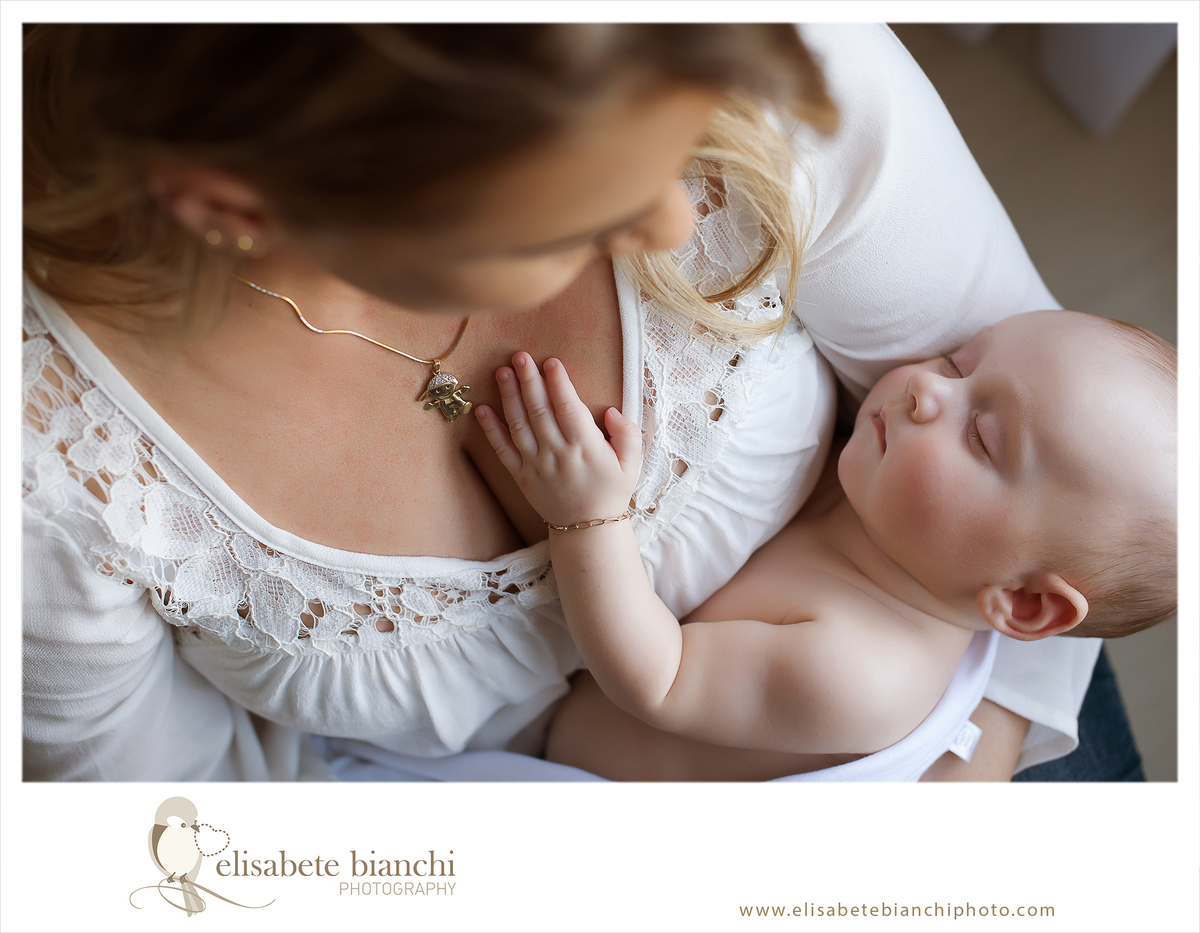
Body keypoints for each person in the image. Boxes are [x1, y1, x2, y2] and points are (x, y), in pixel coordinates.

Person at [21, 23, 1117, 782]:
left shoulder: (762, 58)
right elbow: (180, 839)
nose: (674, 230)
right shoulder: (52, 473)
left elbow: (1091, 472)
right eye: (571, 211)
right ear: (241, 207)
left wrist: (964, 798)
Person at [474, 310, 1175, 780]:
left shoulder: (865, 672)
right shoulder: (899, 514)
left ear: (1020, 601)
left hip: (556, 768)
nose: (928, 390)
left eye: (981, 437)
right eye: (960, 364)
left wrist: (589, 518)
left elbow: (658, 678)